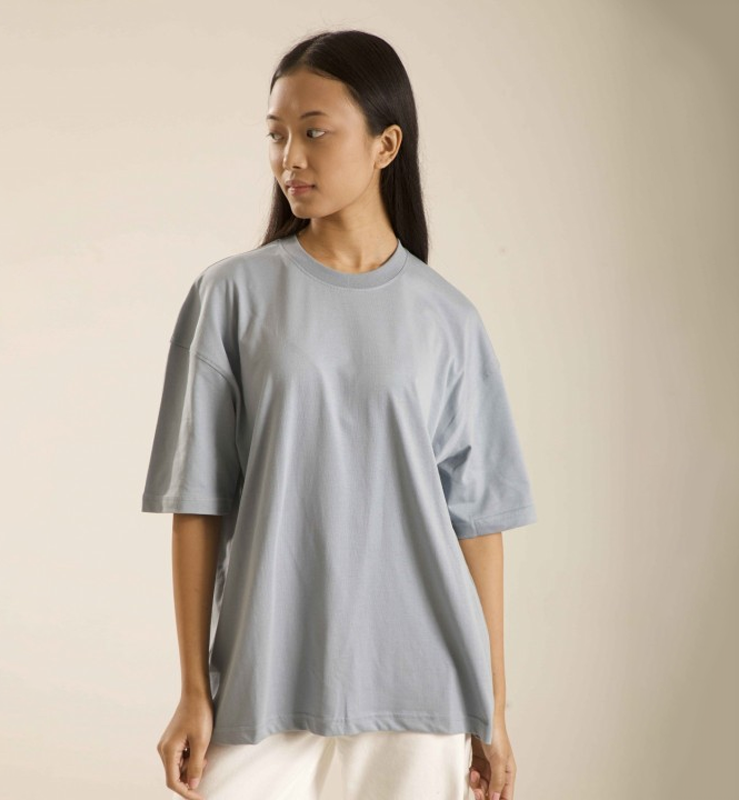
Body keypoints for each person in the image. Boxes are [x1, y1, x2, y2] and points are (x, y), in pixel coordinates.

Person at [141, 28, 537, 800]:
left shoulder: (449, 318)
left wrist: (491, 710)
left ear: (386, 145)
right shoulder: (231, 296)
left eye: (315, 132)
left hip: (422, 692)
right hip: (263, 684)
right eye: (277, 135)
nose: (291, 157)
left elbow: (478, 523)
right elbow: (198, 503)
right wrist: (193, 689)